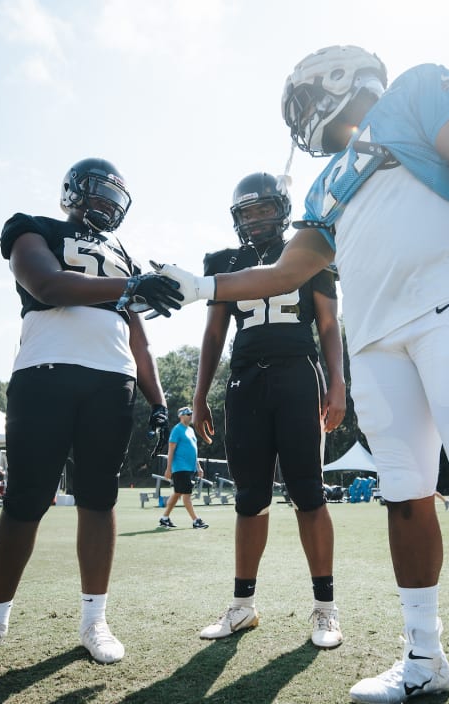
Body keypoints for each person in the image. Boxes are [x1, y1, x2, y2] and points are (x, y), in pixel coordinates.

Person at [155, 45, 449, 703]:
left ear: (334, 81)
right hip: (378, 337)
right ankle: (423, 655)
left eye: (301, 102)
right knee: (404, 492)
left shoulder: (415, 92)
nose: (300, 118)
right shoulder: (324, 187)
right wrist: (197, 285)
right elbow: (286, 272)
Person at [0, 158, 181, 669]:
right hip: (45, 372)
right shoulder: (34, 228)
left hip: (111, 381)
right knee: (25, 500)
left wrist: (158, 400)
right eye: (97, 193)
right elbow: (47, 286)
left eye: (113, 198)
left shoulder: (123, 256)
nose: (105, 206)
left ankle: (94, 619)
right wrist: (131, 286)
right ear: (73, 191)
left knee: (99, 499)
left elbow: (137, 335)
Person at [191, 171, 345, 649]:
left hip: (298, 374)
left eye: (263, 210)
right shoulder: (225, 261)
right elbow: (215, 332)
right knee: (249, 497)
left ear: (282, 209)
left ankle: (325, 610)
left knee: (308, 493)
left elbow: (328, 324)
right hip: (245, 381)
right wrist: (199, 394)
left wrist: (338, 381)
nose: (256, 220)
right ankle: (242, 606)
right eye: (247, 212)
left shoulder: (307, 251)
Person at [158, 408, 208, 529]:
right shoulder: (177, 430)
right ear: (181, 416)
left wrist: (199, 467)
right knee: (186, 494)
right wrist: (168, 468)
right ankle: (196, 521)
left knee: (177, 493)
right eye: (188, 414)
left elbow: (194, 451)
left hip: (190, 468)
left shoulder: (190, 430)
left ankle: (164, 518)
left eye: (191, 414)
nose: (191, 416)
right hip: (180, 467)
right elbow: (171, 450)